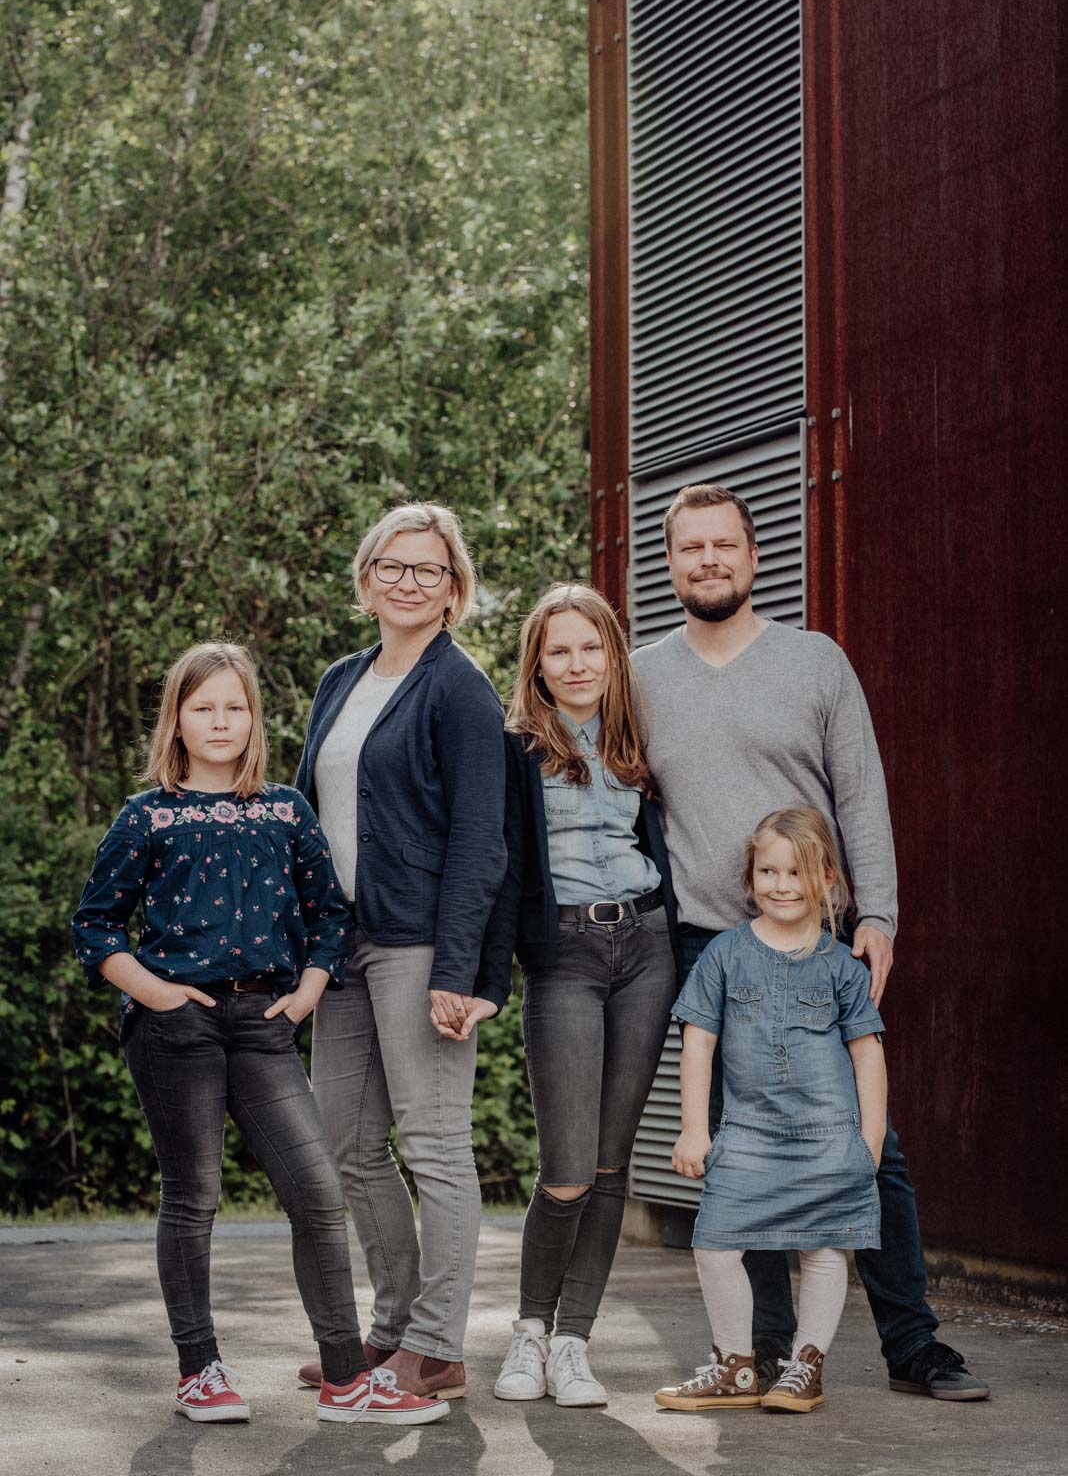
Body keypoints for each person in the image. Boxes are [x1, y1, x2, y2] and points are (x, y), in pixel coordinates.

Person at [631, 483, 989, 1402]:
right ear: (668, 563)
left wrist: (879, 916)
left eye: (724, 546)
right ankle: (766, 1352)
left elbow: (860, 792)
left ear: (754, 557)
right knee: (744, 1147)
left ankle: (912, 1345)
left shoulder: (816, 662)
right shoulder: (640, 677)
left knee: (874, 1148)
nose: (708, 561)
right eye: (689, 549)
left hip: (815, 941)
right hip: (709, 941)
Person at [71, 641, 447, 1428]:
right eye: (202, 707)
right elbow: (96, 925)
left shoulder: (284, 809)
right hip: (177, 1029)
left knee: (316, 1192)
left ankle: (347, 1378)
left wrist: (310, 988)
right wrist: (156, 994)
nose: (220, 721)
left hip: (265, 1024)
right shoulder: (149, 816)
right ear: (176, 719)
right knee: (195, 1197)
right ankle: (199, 1369)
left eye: (234, 707)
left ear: (254, 719)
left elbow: (329, 915)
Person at [293, 502, 507, 1403]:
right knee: (344, 1143)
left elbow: (479, 839)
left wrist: (461, 970)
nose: (407, 581)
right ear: (366, 577)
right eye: (393, 565)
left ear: (453, 590)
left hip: (420, 943)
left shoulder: (461, 689)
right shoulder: (341, 679)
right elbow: (311, 819)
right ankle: (390, 1333)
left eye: (428, 570)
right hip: (339, 945)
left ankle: (439, 1346)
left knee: (432, 1141)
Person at [477, 583, 683, 1408]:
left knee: (608, 1167)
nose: (577, 664)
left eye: (591, 648)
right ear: (537, 663)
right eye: (558, 650)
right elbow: (494, 870)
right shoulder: (516, 747)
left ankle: (573, 1344)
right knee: (565, 1168)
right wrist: (485, 975)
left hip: (647, 947)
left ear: (613, 656)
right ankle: (528, 1333)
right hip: (562, 952)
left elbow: (664, 838)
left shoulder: (639, 737)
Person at [654, 807, 887, 1414]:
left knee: (825, 1247)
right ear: (749, 877)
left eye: (796, 873)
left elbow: (868, 1056)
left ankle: (804, 1367)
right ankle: (735, 1367)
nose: (782, 886)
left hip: (830, 1135)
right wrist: (693, 1130)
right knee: (715, 1242)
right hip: (747, 1134)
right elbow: (698, 1042)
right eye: (768, 871)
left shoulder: (842, 967)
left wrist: (870, 1141)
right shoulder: (725, 955)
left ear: (828, 880)